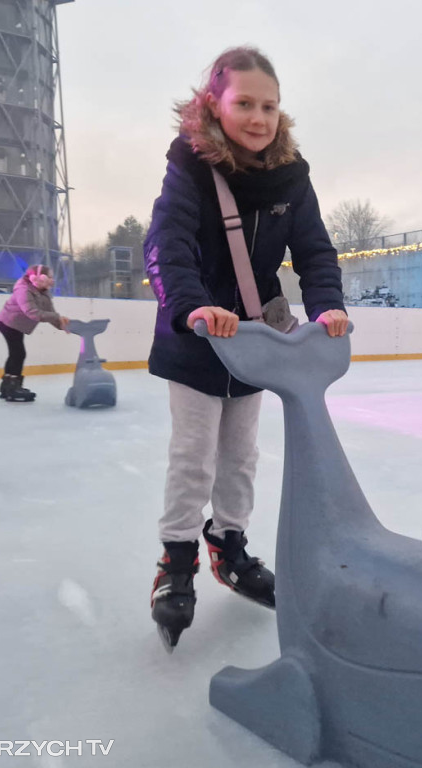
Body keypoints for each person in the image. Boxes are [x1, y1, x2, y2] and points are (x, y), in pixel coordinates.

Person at [143, 46, 349, 649]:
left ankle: (228, 546)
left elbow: (315, 250)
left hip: (256, 342)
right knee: (193, 457)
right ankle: (177, 558)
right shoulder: (189, 166)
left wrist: (328, 305)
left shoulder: (291, 177)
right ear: (215, 104)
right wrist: (192, 306)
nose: (259, 118)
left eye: (269, 106)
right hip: (199, 339)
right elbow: (167, 244)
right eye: (244, 104)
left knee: (240, 457)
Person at [0, 264, 69, 402]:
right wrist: (57, 317)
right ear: (40, 278)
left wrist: (62, 325)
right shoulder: (23, 289)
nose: (52, 280)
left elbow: (50, 312)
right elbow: (32, 313)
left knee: (15, 354)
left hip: (16, 325)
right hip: (8, 323)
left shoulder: (43, 291)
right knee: (18, 353)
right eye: (50, 277)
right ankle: (13, 388)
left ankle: (7, 387)